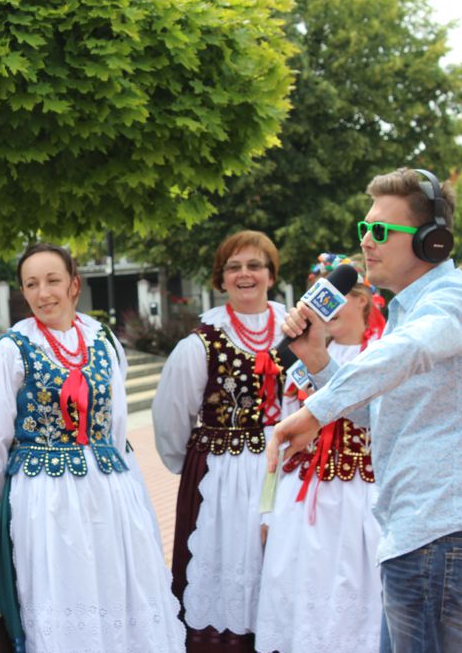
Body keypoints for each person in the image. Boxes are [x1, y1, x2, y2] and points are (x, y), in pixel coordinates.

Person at [270, 168, 462, 652]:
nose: (366, 241)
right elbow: (377, 414)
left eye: (381, 230)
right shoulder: (408, 313)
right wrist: (317, 359)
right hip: (431, 543)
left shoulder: (458, 298)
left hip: (443, 539)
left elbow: (410, 350)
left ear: (432, 241)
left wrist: (315, 411)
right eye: (364, 227)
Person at [0, 242, 184, 653]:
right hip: (45, 499)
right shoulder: (12, 350)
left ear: (74, 285)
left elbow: (117, 425)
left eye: (52, 280)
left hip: (109, 492)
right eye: (31, 284)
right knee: (63, 590)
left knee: (115, 584)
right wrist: (22, 497)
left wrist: (113, 480)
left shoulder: (103, 341)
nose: (43, 293)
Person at [152, 229, 286, 652]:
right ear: (221, 278)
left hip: (286, 471)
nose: (245, 274)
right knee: (224, 560)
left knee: (282, 563)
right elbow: (171, 416)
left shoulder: (296, 331)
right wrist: (189, 467)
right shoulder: (200, 343)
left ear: (271, 275)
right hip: (220, 477)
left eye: (255, 265)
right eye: (234, 267)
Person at [255, 253, 385, 653]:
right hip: (305, 500)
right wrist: (267, 508)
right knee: (309, 606)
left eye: (334, 299)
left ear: (362, 298)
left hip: (364, 500)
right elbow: (281, 437)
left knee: (360, 607)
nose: (324, 312)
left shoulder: (384, 352)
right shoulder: (300, 358)